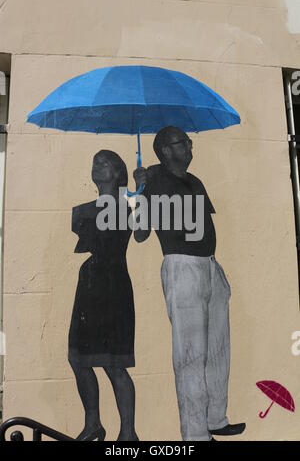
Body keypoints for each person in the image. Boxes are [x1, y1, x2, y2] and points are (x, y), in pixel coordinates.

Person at [133, 126, 245, 441]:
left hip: (209, 267)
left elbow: (203, 224)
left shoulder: (195, 181)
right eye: (184, 142)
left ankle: (215, 419)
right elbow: (140, 233)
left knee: (218, 348)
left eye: (188, 141)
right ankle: (195, 435)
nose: (190, 146)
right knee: (191, 354)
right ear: (165, 149)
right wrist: (139, 191)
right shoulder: (151, 179)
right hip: (182, 268)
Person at [68, 150, 138, 441]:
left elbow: (140, 233)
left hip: (114, 285)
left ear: (118, 172)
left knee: (114, 363)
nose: (97, 166)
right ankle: (93, 423)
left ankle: (128, 432)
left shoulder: (127, 208)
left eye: (104, 162)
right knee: (78, 358)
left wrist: (142, 191)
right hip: (88, 284)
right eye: (94, 161)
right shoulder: (81, 210)